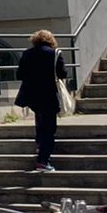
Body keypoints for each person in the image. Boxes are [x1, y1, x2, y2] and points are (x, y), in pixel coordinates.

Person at [15, 30, 69, 172]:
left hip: (32, 96)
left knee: (40, 123)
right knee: (49, 128)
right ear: (50, 39)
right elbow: (62, 73)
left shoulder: (27, 54)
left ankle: (40, 146)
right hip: (49, 94)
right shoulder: (54, 53)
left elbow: (19, 74)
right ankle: (43, 161)